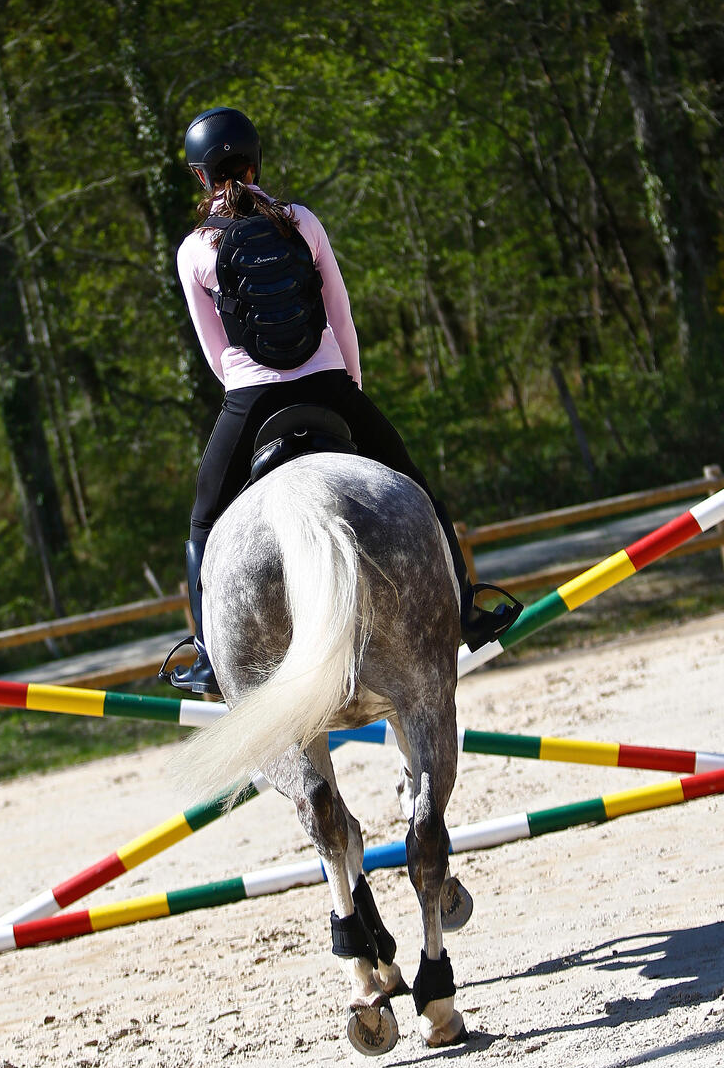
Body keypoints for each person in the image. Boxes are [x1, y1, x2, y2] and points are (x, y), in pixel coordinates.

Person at [161, 106, 521, 696]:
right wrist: (349, 386)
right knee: (418, 491)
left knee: (203, 525)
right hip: (329, 382)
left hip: (249, 397)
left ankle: (205, 656)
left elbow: (215, 351)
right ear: (257, 161)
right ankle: (466, 608)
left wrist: (247, 393)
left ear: (201, 176)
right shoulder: (301, 220)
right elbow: (341, 316)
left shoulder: (194, 250)